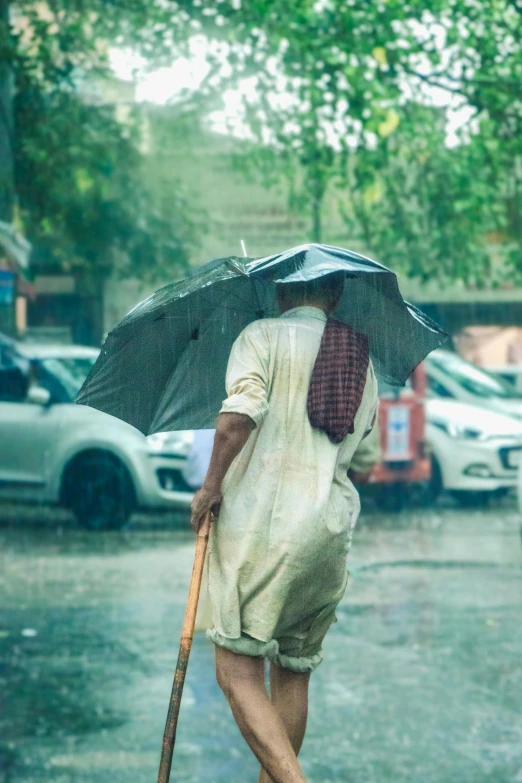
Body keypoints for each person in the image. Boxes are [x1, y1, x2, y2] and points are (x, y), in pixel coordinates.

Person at [191, 273, 379, 783]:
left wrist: (210, 487)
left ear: (279, 292)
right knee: (294, 670)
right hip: (329, 532)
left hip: (264, 530)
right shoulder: (360, 360)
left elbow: (239, 415)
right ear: (335, 296)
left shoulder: (262, 337)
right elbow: (362, 448)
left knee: (235, 669)